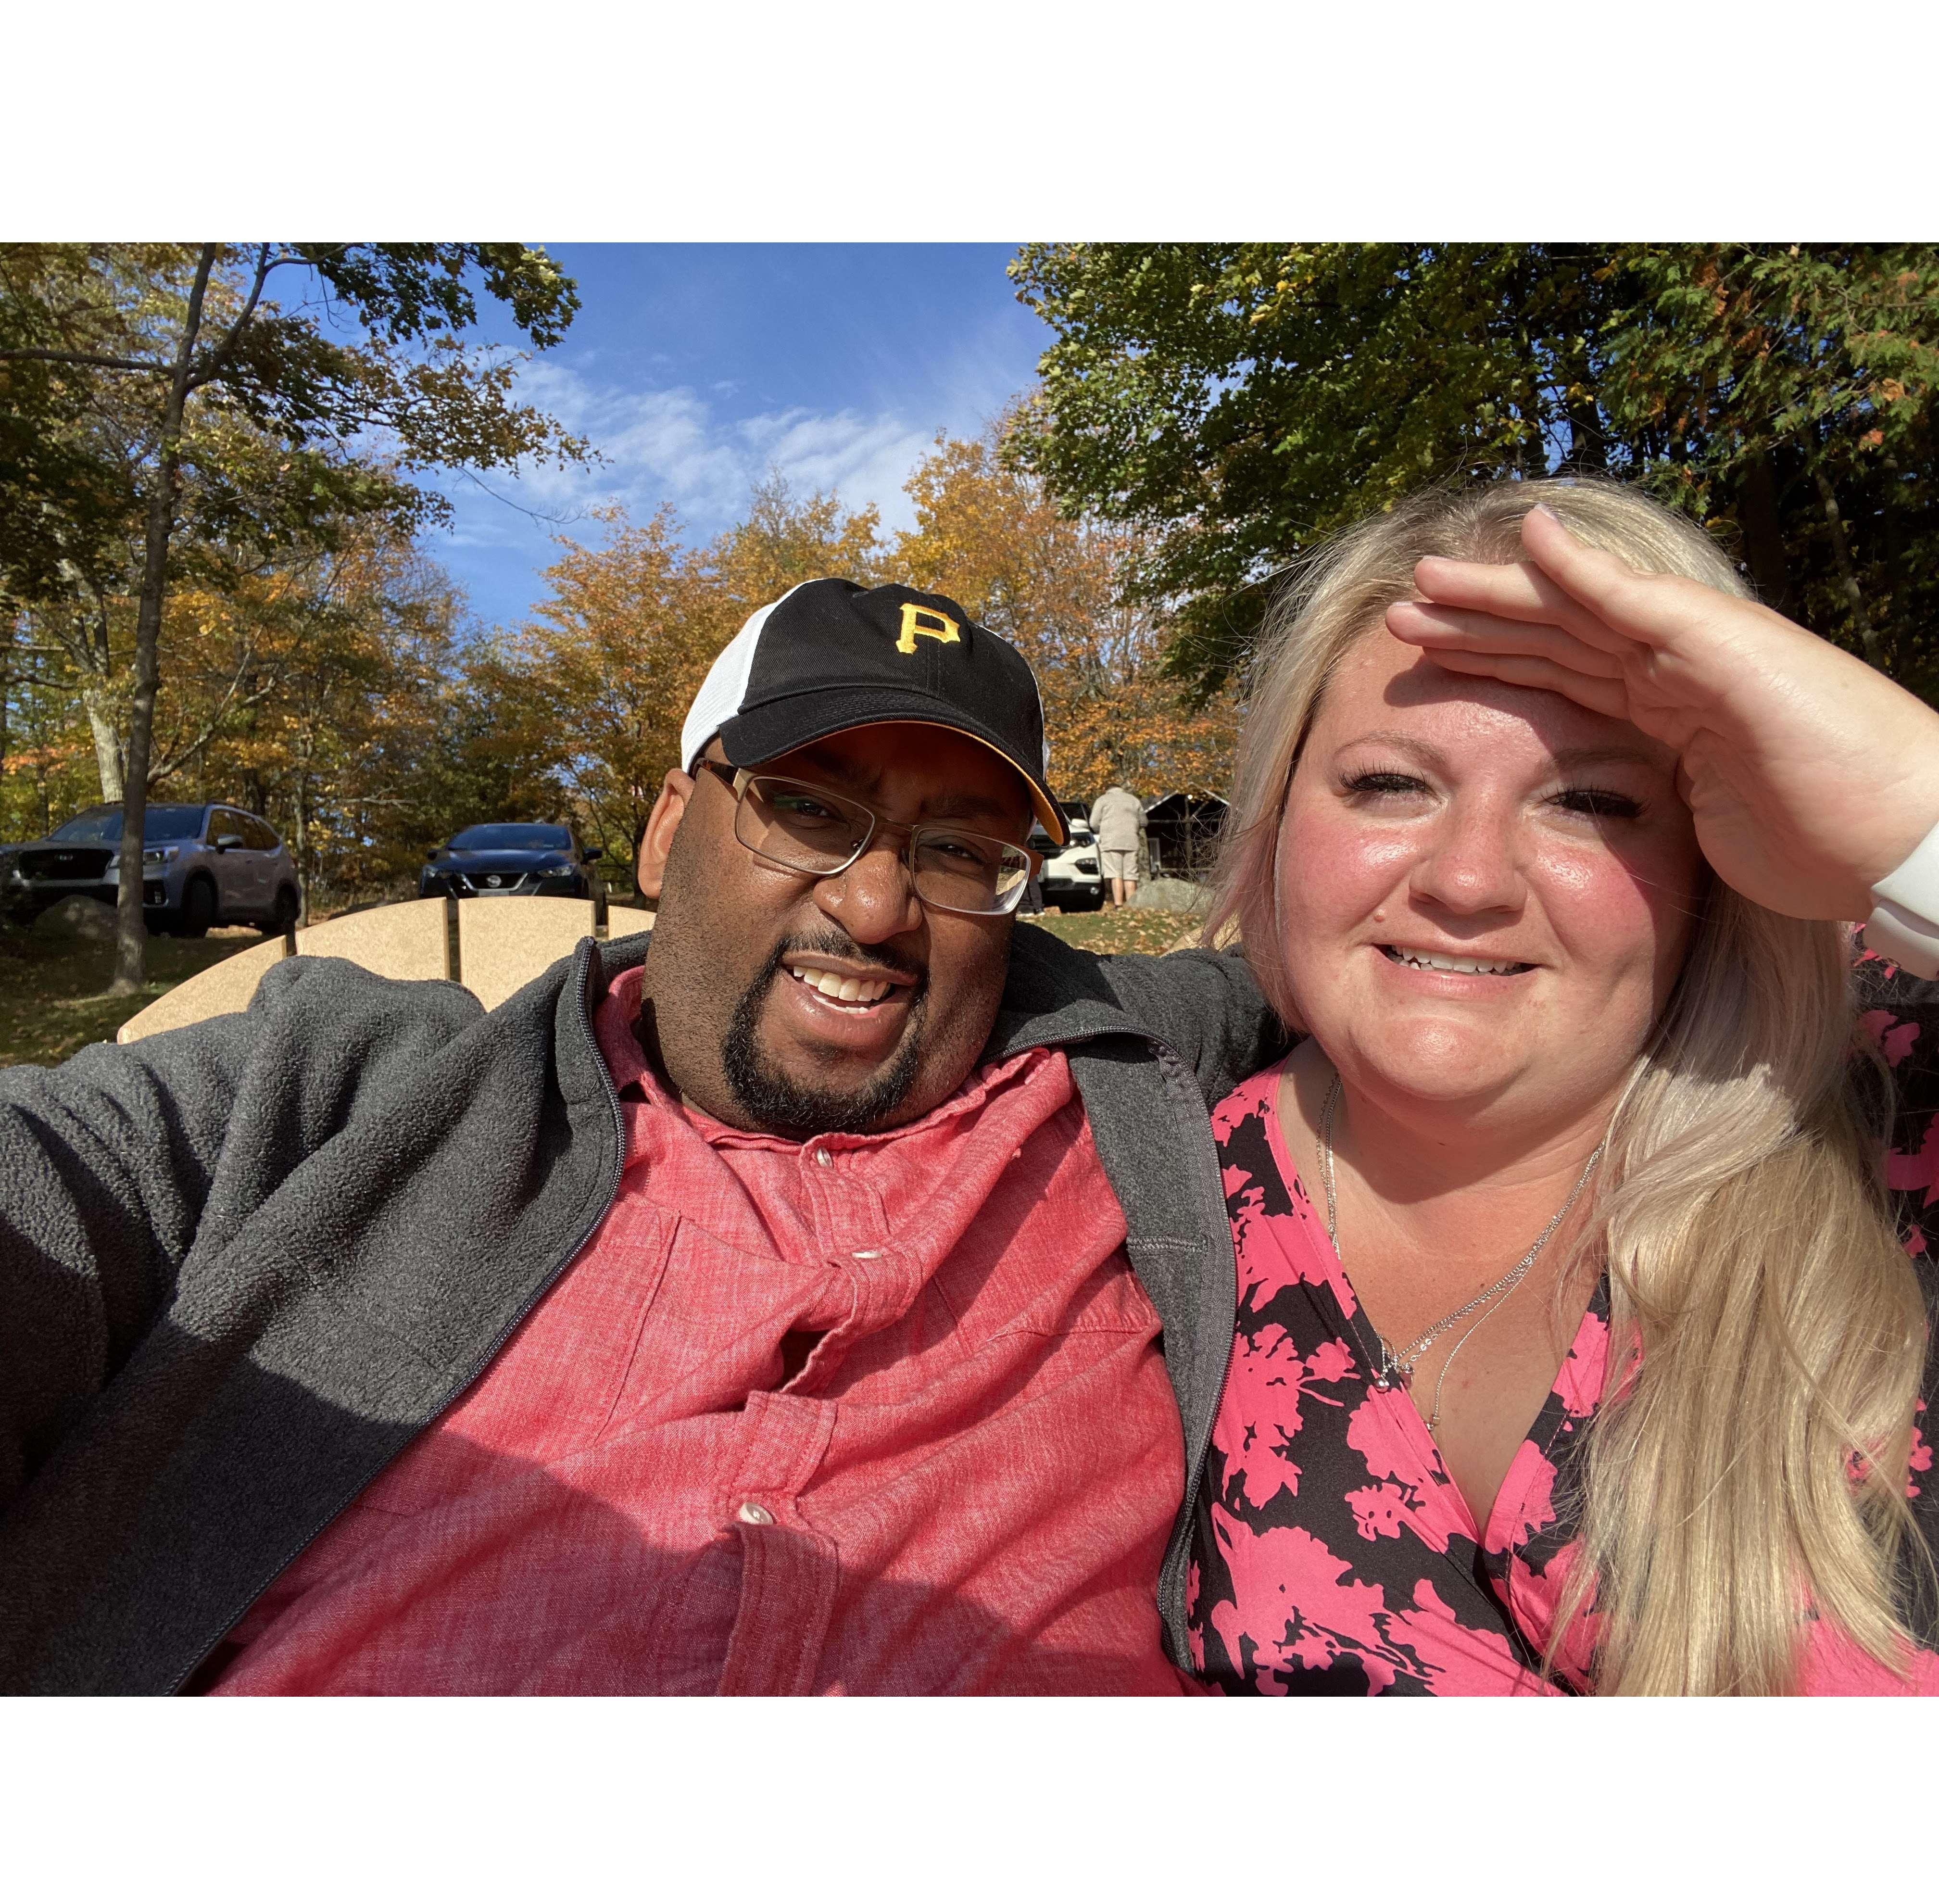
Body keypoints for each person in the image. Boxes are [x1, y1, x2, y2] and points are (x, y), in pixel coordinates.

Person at [0, 578, 1281, 1696]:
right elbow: (54, 1180)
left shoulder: (1120, 1068)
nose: (880, 904)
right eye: (811, 811)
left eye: (957, 850)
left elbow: (1363, 966)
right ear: (672, 826)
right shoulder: (348, 1093)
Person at [1187, 479, 1939, 1697]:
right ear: (1276, 824)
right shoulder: (1149, 1197)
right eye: (1390, 785)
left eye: (1590, 801)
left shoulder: (1890, 1116)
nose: (1471, 880)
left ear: (1713, 858)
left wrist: (1918, 818)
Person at [1089, 781, 1146, 907]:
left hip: (1111, 842)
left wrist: (1104, 829)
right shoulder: (1134, 800)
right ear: (1121, 789)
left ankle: (1119, 904)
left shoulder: (1103, 800)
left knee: (1115, 873)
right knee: (1131, 874)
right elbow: (1144, 822)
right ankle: (1132, 906)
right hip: (1131, 841)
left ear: (1107, 790)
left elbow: (1093, 823)